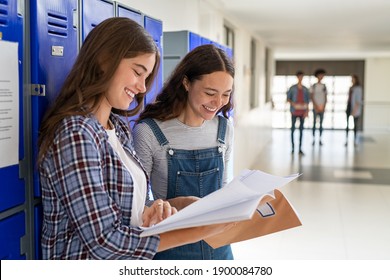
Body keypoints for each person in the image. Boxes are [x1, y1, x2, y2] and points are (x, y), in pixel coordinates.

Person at [37, 17, 234, 260]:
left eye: (147, 77)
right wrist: (199, 230)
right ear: (104, 59)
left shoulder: (117, 127)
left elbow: (124, 211)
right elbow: (104, 241)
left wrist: (173, 205)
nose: (142, 87)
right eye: (138, 72)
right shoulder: (77, 134)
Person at [133, 44, 235, 260]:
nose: (218, 103)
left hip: (219, 248)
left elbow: (224, 188)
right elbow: (136, 206)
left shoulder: (225, 129)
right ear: (186, 82)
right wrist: (172, 206)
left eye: (226, 94)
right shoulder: (149, 132)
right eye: (210, 93)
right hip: (171, 250)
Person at [287, 71, 310, 155]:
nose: (301, 78)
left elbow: (308, 102)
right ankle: (293, 148)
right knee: (292, 130)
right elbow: (288, 98)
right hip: (294, 111)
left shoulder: (305, 89)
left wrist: (307, 111)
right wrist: (294, 104)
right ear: (297, 77)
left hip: (302, 112)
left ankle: (300, 148)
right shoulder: (292, 88)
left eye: (302, 77)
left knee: (301, 131)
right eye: (299, 76)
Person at [310, 68, 328, 146]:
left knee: (321, 124)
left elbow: (326, 97)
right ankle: (313, 139)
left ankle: (320, 139)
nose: (321, 76)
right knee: (314, 123)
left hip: (322, 107)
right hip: (315, 107)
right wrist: (316, 106)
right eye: (320, 75)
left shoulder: (324, 86)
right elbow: (312, 97)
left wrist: (323, 106)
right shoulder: (314, 86)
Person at [345, 74, 363, 146]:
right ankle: (346, 140)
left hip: (355, 108)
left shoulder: (358, 88)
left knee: (355, 125)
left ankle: (355, 140)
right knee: (347, 125)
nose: (352, 80)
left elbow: (358, 101)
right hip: (349, 106)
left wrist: (354, 110)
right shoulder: (351, 88)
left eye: (353, 79)